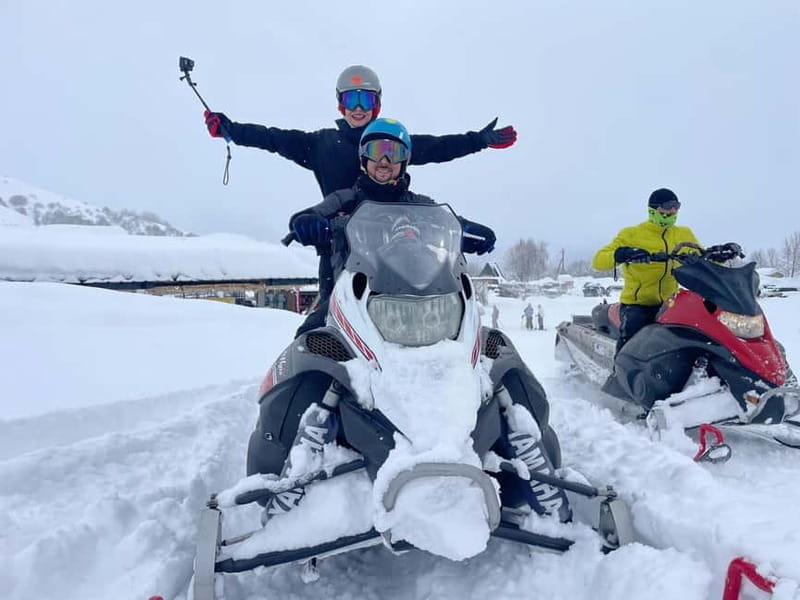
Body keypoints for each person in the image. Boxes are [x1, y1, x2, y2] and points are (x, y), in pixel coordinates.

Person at [204, 65, 515, 306]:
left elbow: (438, 148)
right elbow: (273, 138)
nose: (357, 107)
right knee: (324, 325)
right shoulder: (321, 143)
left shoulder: (391, 141)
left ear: (376, 104)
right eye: (350, 99)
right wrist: (232, 130)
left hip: (395, 251)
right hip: (339, 249)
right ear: (340, 104)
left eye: (365, 98)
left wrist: (479, 141)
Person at [288, 118, 496, 336]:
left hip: (419, 297)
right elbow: (313, 213)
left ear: (404, 161)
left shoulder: (417, 203)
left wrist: (467, 231)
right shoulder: (344, 199)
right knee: (310, 337)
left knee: (480, 339)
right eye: (376, 151)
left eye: (394, 153)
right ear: (364, 157)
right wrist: (308, 222)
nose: (384, 160)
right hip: (352, 294)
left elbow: (448, 220)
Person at [592, 188, 702, 354]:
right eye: (668, 206)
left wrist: (721, 254)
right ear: (654, 209)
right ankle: (620, 374)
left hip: (670, 302)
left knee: (699, 329)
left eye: (676, 206)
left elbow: (702, 255)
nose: (673, 211)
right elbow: (598, 260)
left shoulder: (683, 233)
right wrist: (623, 253)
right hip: (638, 304)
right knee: (633, 337)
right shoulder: (632, 234)